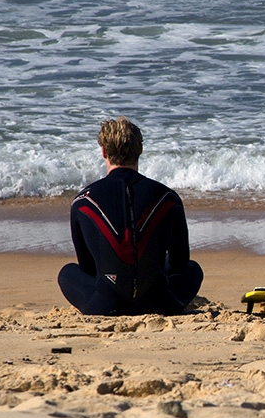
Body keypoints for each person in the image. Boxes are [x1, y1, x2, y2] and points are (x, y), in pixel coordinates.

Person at [58, 116, 203, 315]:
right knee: (193, 269)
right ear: (140, 150)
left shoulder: (83, 201)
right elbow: (180, 262)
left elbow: (87, 267)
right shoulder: (168, 197)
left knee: (67, 273)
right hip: (162, 303)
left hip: (103, 305)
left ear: (104, 151)